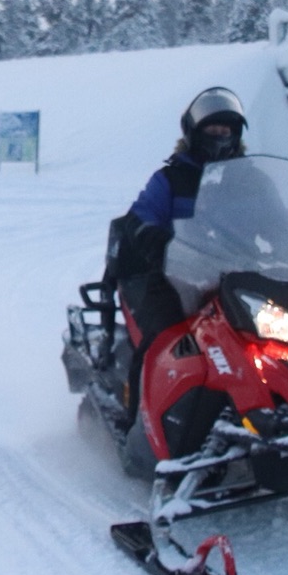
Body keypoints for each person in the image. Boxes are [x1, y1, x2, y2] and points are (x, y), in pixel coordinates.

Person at [104, 88, 248, 387]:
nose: (220, 134)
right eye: (213, 127)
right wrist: (156, 241)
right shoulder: (171, 179)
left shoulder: (250, 180)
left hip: (238, 277)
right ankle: (137, 420)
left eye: (227, 128)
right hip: (177, 279)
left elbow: (277, 215)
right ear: (195, 131)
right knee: (165, 341)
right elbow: (142, 215)